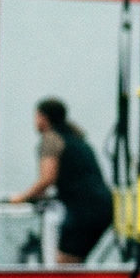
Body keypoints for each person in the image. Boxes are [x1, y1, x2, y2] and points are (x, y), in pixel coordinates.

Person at [13, 98, 112, 266]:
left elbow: (47, 179)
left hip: (85, 211)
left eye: (36, 116)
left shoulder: (50, 139)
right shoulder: (76, 138)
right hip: (103, 207)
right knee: (73, 264)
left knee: (65, 265)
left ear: (43, 117)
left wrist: (20, 198)